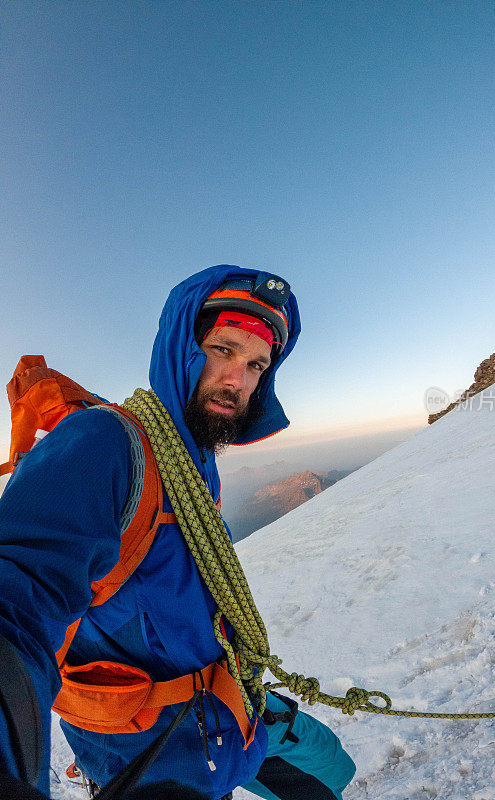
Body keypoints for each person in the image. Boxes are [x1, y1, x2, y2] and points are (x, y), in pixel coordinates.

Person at [0, 265, 356, 800]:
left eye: (257, 364)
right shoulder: (104, 444)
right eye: (223, 350)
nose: (238, 380)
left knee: (331, 769)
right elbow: (18, 597)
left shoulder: (195, 461)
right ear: (181, 346)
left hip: (222, 718)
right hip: (152, 762)